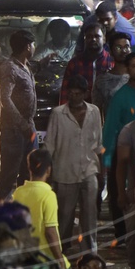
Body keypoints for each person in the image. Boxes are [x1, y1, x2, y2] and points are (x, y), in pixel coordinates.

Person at [45, 75, 104, 253]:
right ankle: (61, 250)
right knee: (64, 215)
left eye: (78, 94)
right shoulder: (58, 114)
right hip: (64, 172)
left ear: (85, 94)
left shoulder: (94, 112)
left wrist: (102, 173)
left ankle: (89, 251)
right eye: (71, 93)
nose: (74, 97)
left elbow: (98, 144)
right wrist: (46, 174)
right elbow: (50, 145)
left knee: (90, 215)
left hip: (89, 171)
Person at [0, 30, 38, 199]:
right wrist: (22, 125)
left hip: (28, 126)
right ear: (28, 47)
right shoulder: (9, 68)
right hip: (14, 130)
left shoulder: (24, 65)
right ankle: (3, 209)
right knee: (10, 172)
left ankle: (25, 207)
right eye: (33, 44)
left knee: (30, 170)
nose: (35, 47)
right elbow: (5, 99)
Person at [12, 147, 64, 261]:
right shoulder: (48, 195)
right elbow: (50, 232)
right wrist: (60, 261)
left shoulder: (18, 193)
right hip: (46, 260)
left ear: (29, 168)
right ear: (49, 170)